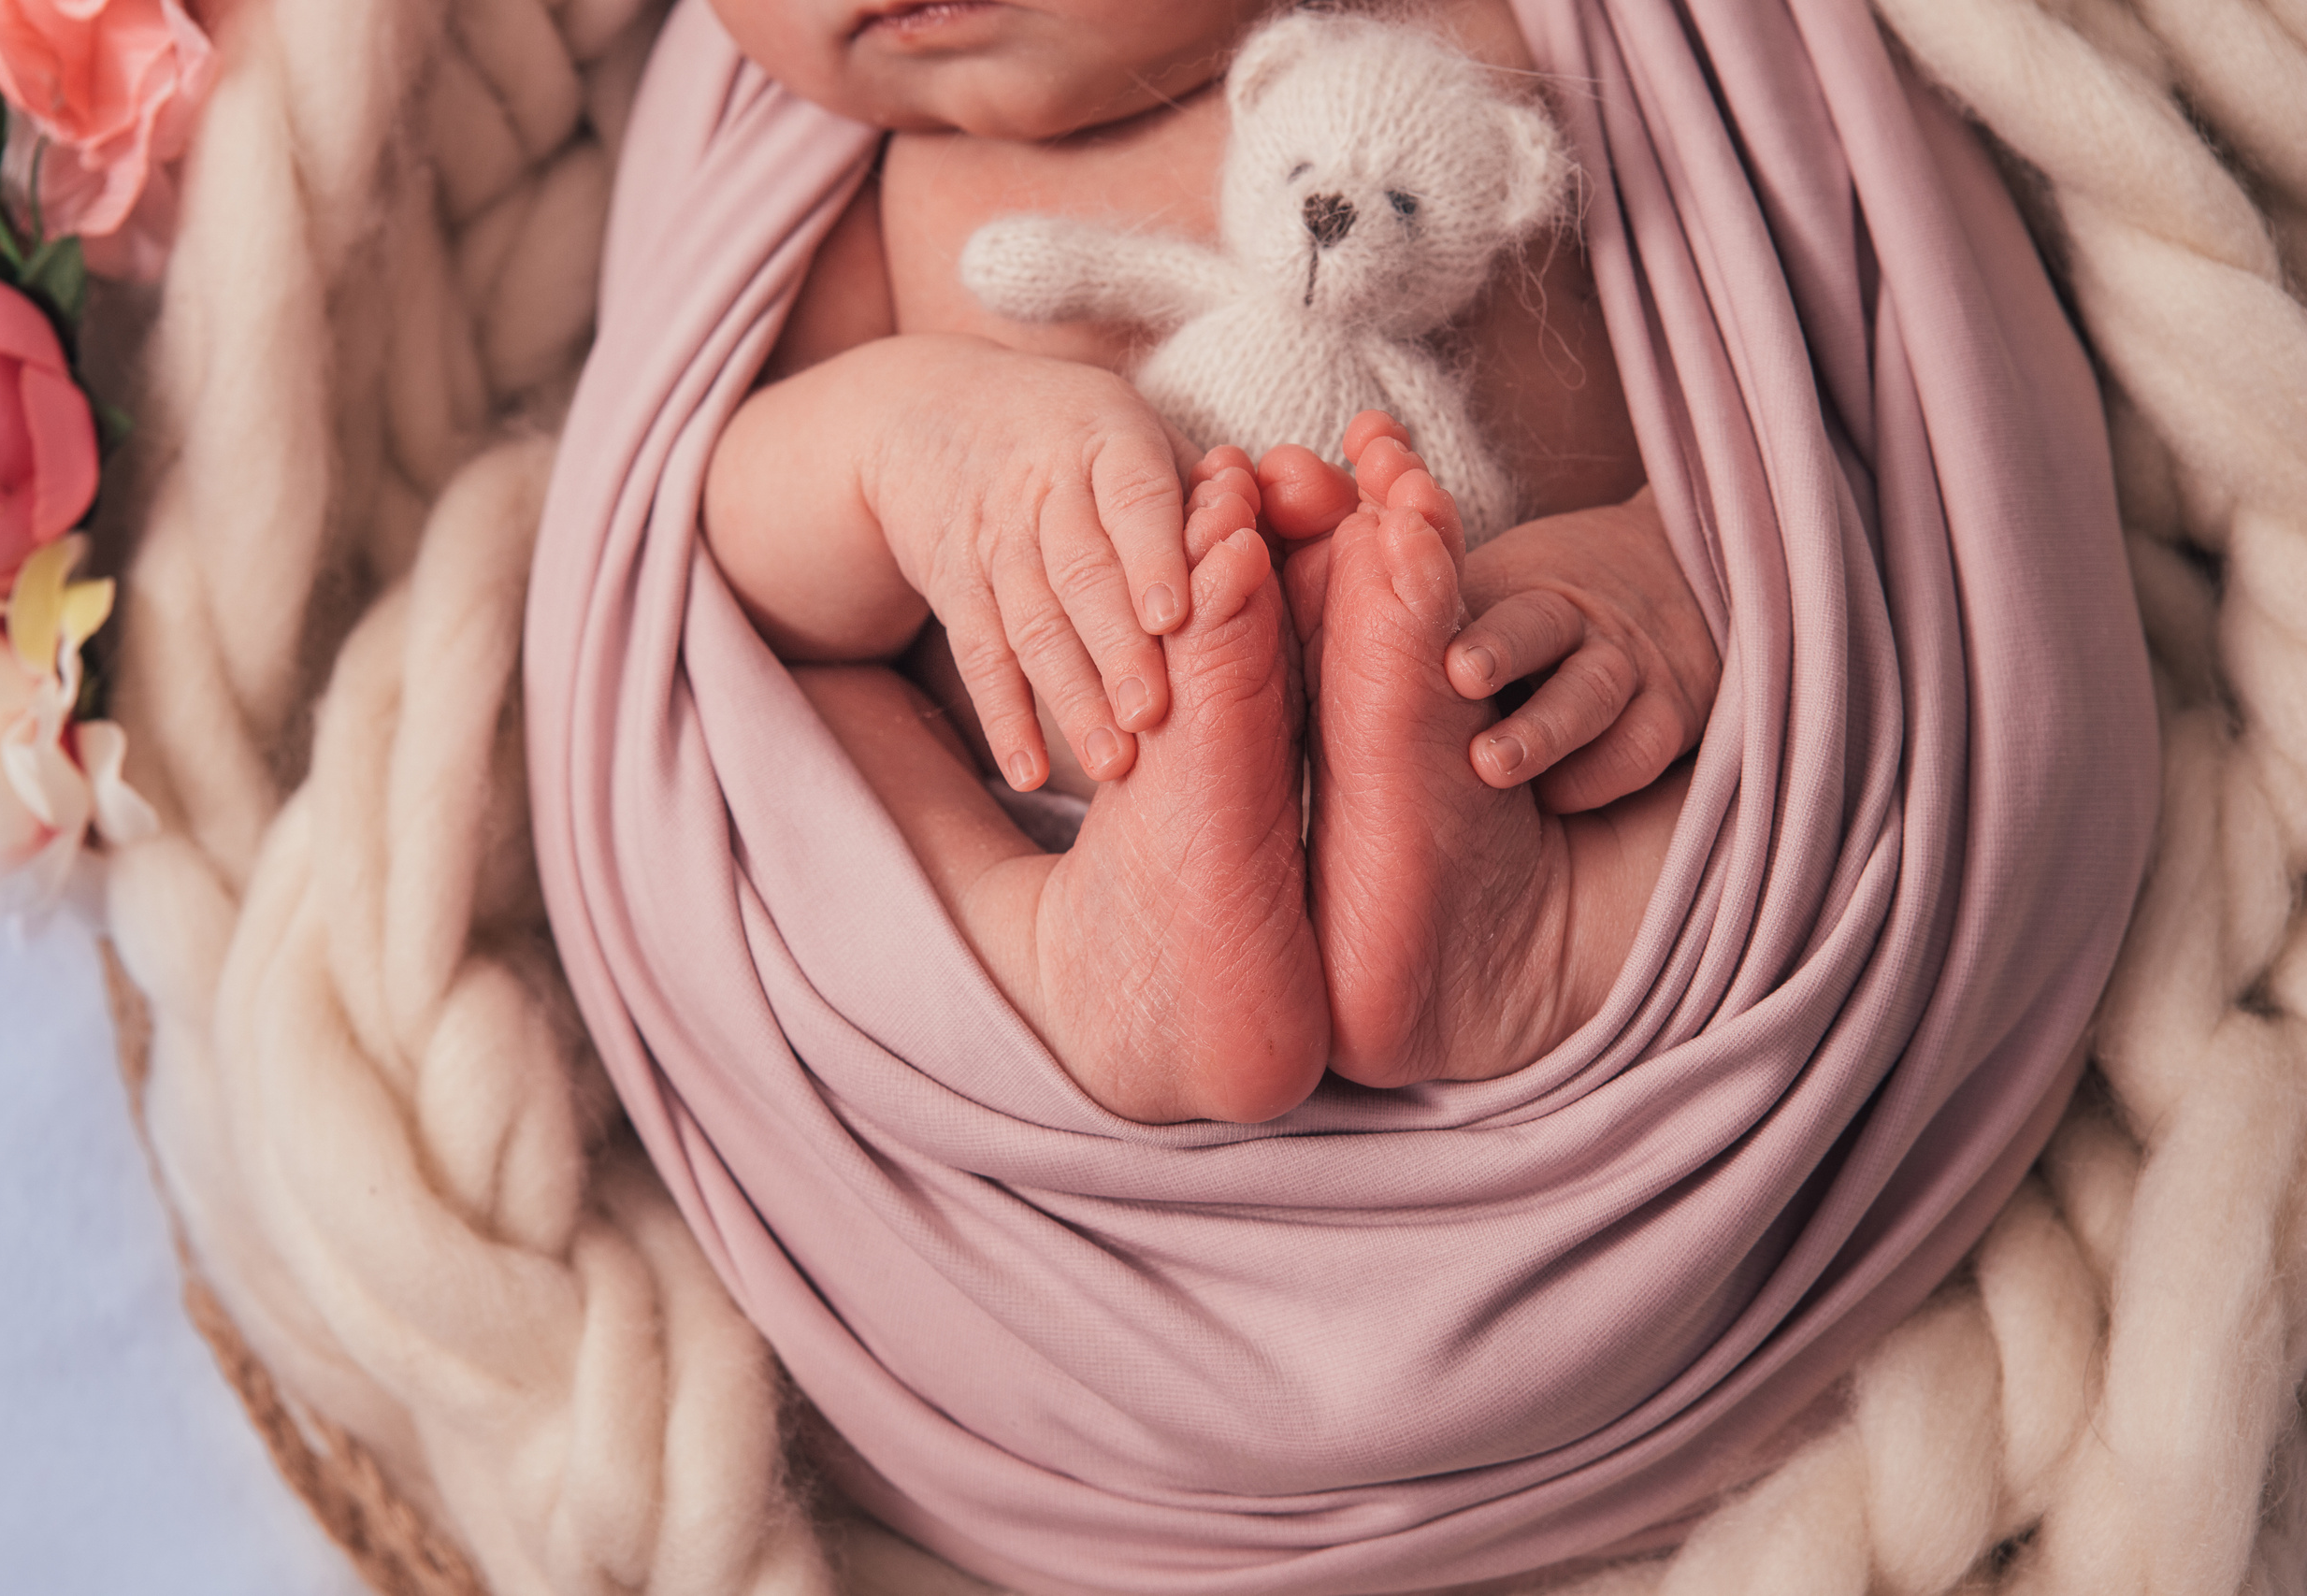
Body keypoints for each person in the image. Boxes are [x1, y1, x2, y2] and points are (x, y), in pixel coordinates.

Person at [699, 0, 1719, 1123]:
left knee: (1783, 716)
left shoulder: (1523, 42)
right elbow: (748, 592)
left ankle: (1552, 948)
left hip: (1540, 778)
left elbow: (1818, 421)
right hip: (1054, 838)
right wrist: (903, 437)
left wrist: (1658, 570)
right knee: (808, 747)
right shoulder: (868, 187)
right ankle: (1048, 957)